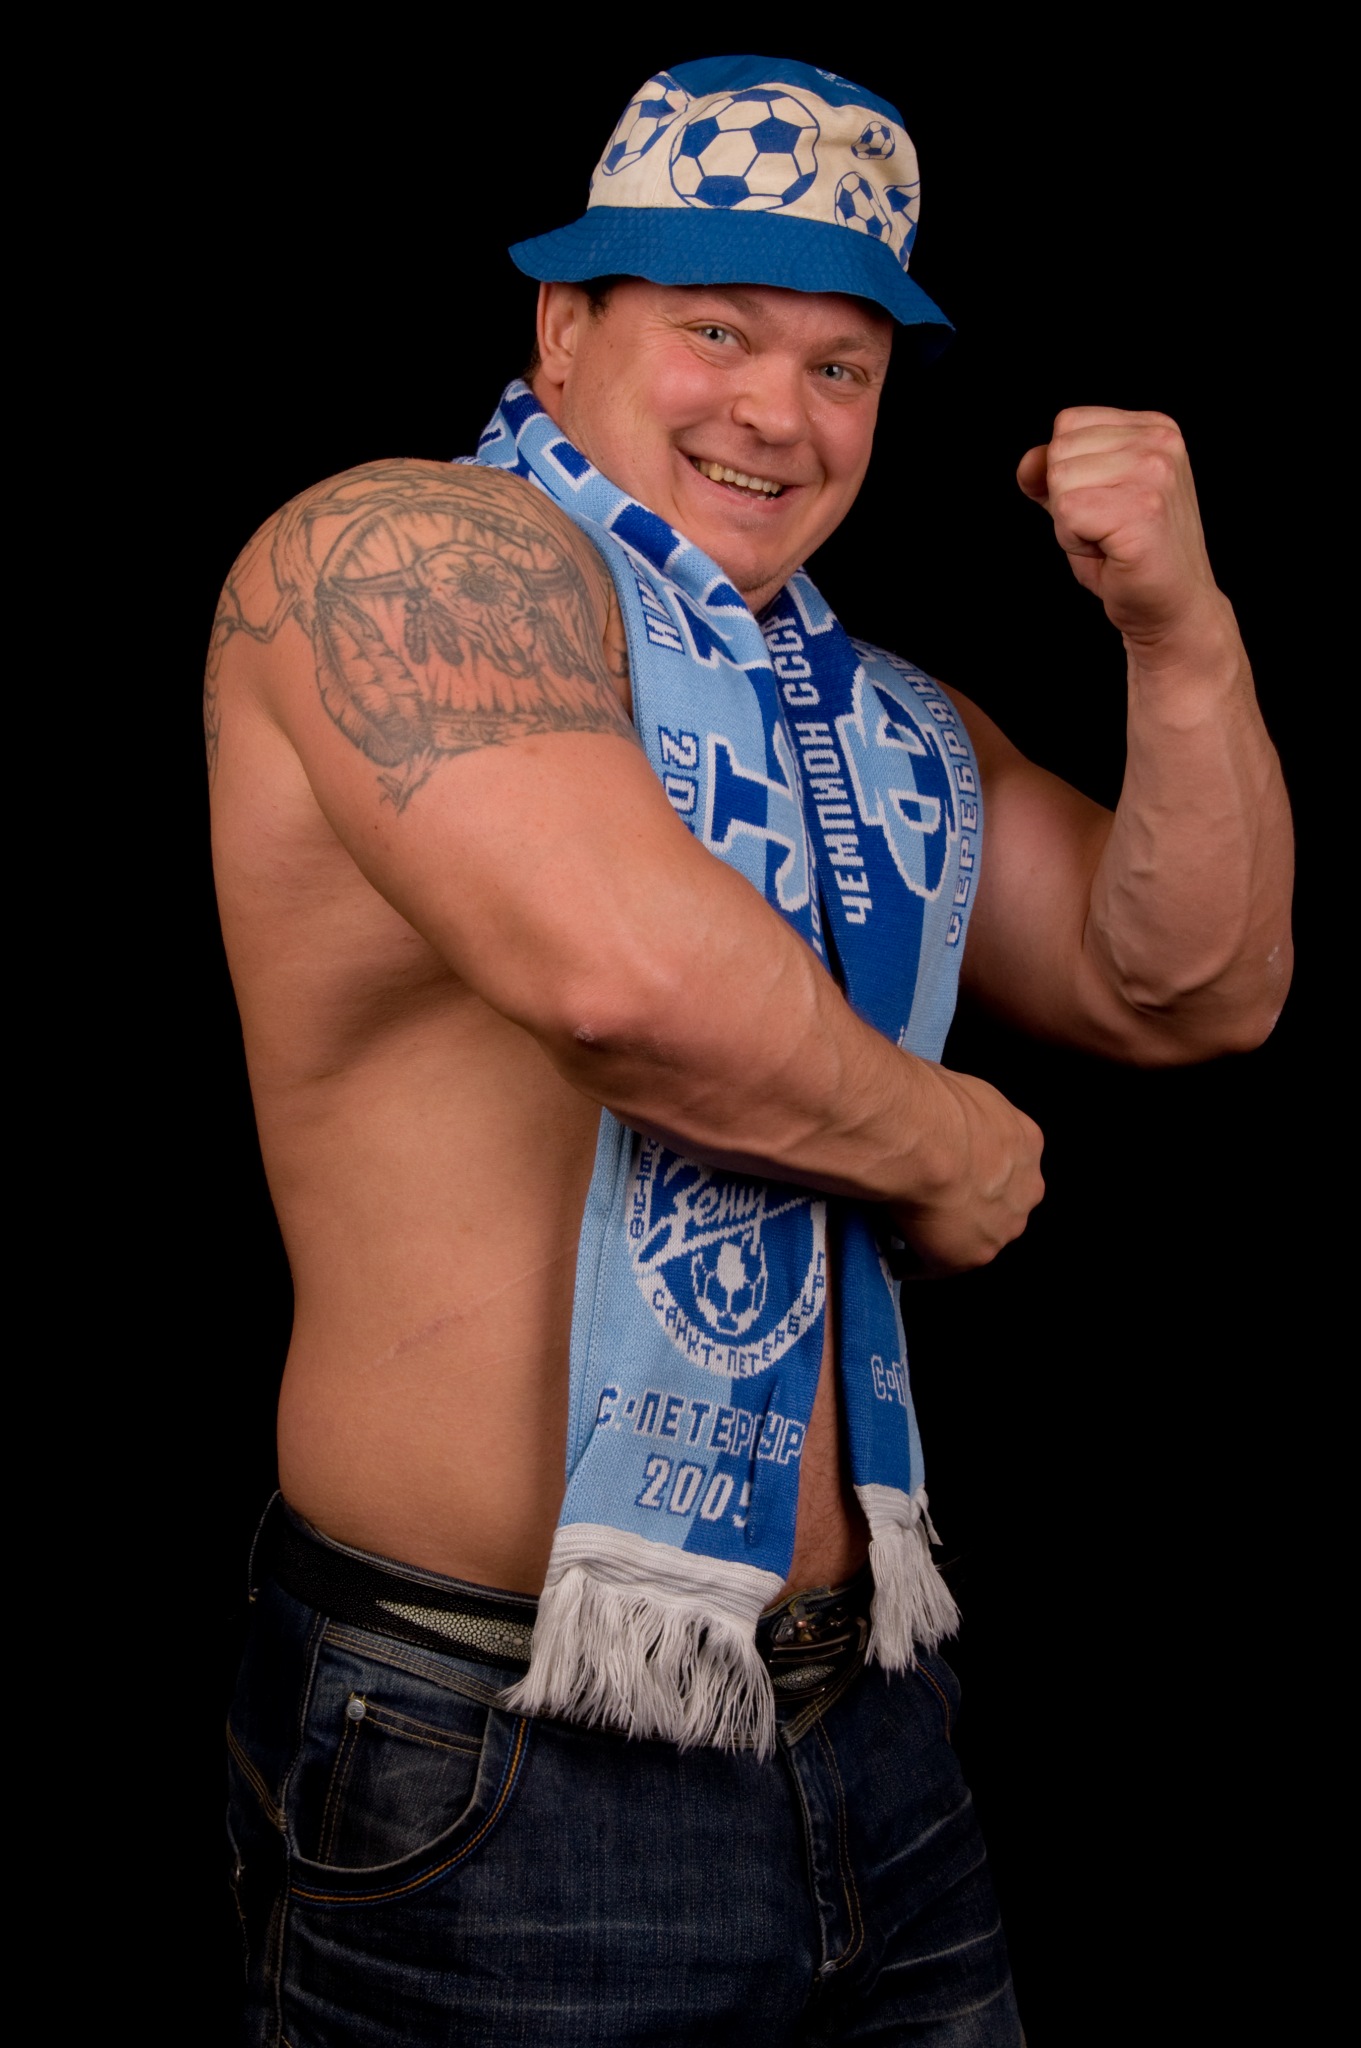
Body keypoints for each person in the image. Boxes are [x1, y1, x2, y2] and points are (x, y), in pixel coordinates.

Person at [212, 55, 1293, 2046]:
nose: (777, 413)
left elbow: (1187, 983)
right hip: (495, 1745)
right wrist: (942, 1147)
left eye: (839, 366)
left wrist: (1181, 632)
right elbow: (626, 980)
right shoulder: (403, 564)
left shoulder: (877, 725)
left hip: (870, 1714)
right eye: (717, 331)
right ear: (564, 322)